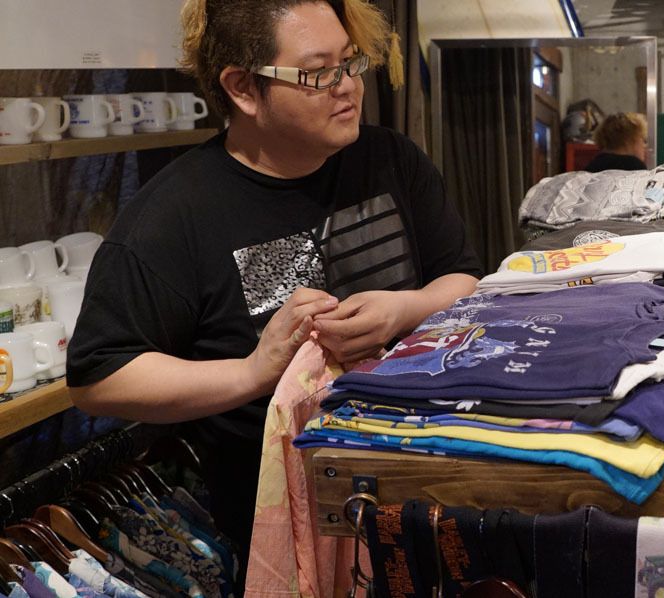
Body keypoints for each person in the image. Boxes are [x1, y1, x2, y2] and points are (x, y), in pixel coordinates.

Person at [65, 0, 481, 586]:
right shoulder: (174, 216)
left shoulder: (391, 160)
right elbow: (98, 377)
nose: (347, 86)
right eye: (317, 73)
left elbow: (463, 279)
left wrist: (402, 310)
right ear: (243, 88)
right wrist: (252, 372)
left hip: (423, 490)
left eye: (350, 62)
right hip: (281, 527)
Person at [583, 112, 649, 173]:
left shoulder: (593, 164)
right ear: (630, 140)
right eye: (643, 140)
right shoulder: (634, 166)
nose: (645, 146)